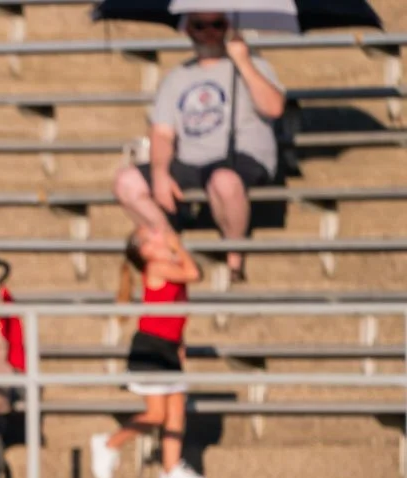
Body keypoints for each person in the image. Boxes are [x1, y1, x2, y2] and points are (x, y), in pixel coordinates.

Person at [113, 12, 286, 283]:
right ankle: (172, 247)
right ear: (187, 29)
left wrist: (243, 61)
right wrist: (159, 174)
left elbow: (274, 107)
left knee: (224, 181)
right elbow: (161, 133)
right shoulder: (177, 77)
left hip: (242, 157)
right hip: (192, 160)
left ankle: (234, 258)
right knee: (126, 181)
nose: (209, 31)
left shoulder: (254, 66)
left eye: (217, 24)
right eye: (200, 25)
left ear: (227, 27)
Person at [92, 229, 205, 478]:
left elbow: (176, 308)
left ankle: (171, 468)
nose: (161, 235)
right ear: (145, 250)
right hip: (151, 346)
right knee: (157, 414)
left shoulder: (169, 265)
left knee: (176, 411)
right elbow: (194, 274)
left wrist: (180, 341)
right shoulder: (156, 265)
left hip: (168, 346)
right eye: (152, 235)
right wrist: (178, 246)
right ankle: (109, 443)